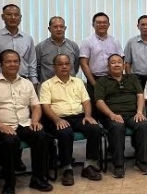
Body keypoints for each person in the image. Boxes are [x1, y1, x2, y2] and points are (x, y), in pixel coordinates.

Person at [0, 49, 53, 194]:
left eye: (16, 61)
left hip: (24, 124)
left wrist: (35, 121)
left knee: (41, 136)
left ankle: (38, 178)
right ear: (0, 64)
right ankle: (9, 184)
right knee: (10, 141)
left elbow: (36, 106)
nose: (13, 64)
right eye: (8, 61)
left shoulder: (27, 84)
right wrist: (1, 126)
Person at [39, 54, 104, 186]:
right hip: (57, 118)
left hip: (79, 116)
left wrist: (88, 116)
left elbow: (86, 101)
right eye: (60, 64)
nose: (64, 66)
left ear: (71, 66)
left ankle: (89, 165)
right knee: (65, 133)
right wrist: (57, 120)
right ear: (54, 67)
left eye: (67, 63)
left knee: (95, 128)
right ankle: (66, 168)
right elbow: (45, 106)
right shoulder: (47, 85)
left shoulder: (78, 82)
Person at [95, 54, 147, 177]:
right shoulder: (102, 81)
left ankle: (142, 161)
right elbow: (99, 101)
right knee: (117, 127)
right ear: (108, 66)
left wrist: (140, 112)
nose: (116, 64)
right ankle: (118, 164)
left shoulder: (132, 78)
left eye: (119, 62)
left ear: (124, 65)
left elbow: (140, 95)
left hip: (133, 114)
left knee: (142, 125)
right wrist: (112, 115)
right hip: (111, 115)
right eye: (113, 62)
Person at [0, 4, 37, 85]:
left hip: (22, 82)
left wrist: (33, 82)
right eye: (9, 15)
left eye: (16, 15)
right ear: (3, 17)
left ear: (20, 18)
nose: (13, 17)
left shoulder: (28, 38)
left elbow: (32, 63)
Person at [79, 11, 122, 92]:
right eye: (98, 22)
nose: (102, 25)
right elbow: (84, 64)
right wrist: (94, 83)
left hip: (113, 78)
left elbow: (121, 61)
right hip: (95, 78)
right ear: (93, 25)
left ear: (108, 25)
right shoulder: (87, 41)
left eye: (104, 22)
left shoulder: (115, 41)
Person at [35, 16, 80, 82]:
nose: (59, 29)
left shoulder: (73, 46)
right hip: (48, 87)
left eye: (61, 27)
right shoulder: (40, 47)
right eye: (55, 27)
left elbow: (76, 66)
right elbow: (36, 68)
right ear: (49, 29)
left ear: (65, 28)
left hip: (69, 86)